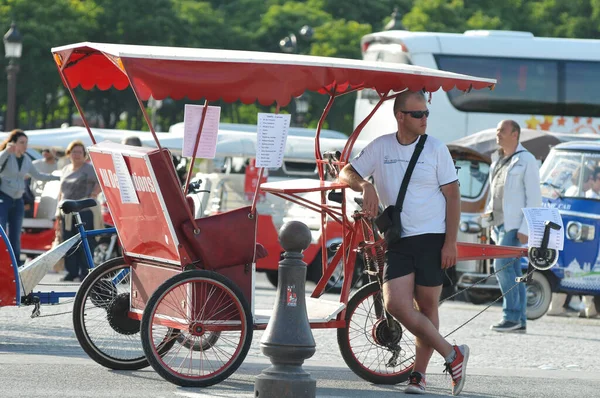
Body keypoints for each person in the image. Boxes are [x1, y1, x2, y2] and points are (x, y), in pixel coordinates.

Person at [339, 90, 468, 396]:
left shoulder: (436, 148)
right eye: (418, 114)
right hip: (397, 238)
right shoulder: (382, 146)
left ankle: (418, 376)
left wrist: (451, 243)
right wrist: (365, 184)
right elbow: (346, 172)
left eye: (426, 114)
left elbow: (453, 197)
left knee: (426, 306)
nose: (425, 119)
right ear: (400, 116)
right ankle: (453, 353)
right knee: (396, 303)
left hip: (432, 238)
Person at [486, 120, 542, 333]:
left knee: (501, 267)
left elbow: (534, 198)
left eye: (502, 131)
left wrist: (526, 229)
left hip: (514, 226)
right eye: (497, 130)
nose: (497, 134)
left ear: (515, 135)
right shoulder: (497, 160)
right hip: (499, 225)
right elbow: (495, 195)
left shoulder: (526, 159)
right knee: (513, 270)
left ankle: (511, 317)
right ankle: (520, 321)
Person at [0, 130, 60, 263]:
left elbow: (38, 175)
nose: (25, 145)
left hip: (18, 201)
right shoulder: (6, 156)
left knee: (15, 235)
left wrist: (58, 177)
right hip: (3, 199)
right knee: (2, 233)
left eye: (26, 143)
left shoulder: (26, 159)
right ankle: (2, 261)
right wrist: (6, 152)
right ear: (13, 143)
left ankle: (14, 263)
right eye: (21, 142)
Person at [56, 140, 101, 281]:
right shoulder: (66, 169)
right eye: (74, 152)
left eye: (79, 152)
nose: (76, 155)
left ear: (84, 154)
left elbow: (100, 181)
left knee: (85, 242)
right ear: (69, 154)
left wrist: (94, 193)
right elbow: (61, 191)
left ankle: (86, 272)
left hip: (84, 209)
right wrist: (58, 212)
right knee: (68, 242)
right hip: (67, 210)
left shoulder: (89, 169)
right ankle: (72, 271)